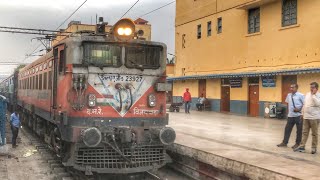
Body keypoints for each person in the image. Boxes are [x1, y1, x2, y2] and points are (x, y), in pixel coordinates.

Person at [294, 82, 320, 154]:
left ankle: (314, 148)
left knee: (314, 133)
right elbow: (304, 104)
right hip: (306, 117)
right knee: (305, 132)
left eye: (313, 87)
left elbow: (318, 104)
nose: (311, 89)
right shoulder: (308, 94)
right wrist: (302, 113)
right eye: (310, 87)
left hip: (314, 118)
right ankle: (302, 146)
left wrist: (314, 95)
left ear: (316, 88)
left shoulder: (318, 95)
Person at [277, 84, 304, 149]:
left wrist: (299, 109)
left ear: (296, 88)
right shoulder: (289, 95)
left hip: (298, 116)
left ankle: (297, 143)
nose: (291, 89)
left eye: (293, 87)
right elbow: (287, 103)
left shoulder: (301, 95)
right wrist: (288, 113)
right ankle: (284, 142)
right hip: (290, 116)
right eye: (290, 87)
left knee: (299, 130)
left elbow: (305, 104)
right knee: (287, 129)